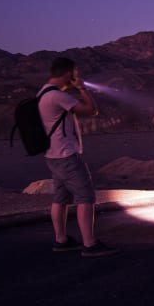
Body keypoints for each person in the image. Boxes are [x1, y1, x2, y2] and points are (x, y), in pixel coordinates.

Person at [39, 57, 118, 257]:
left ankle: (61, 240)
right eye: (75, 73)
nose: (77, 76)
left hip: (52, 154)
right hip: (67, 155)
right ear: (68, 74)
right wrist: (82, 89)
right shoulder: (57, 96)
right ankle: (90, 244)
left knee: (60, 198)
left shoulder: (43, 93)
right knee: (86, 197)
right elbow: (91, 110)